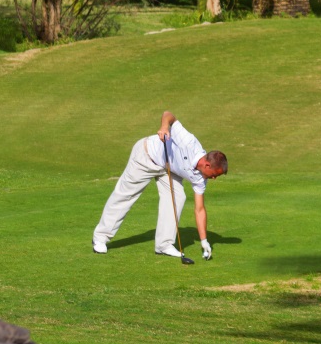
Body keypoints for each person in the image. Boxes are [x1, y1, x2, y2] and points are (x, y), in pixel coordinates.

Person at [92, 111, 228, 259]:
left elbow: (199, 209)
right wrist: (164, 127)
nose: (214, 178)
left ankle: (164, 245)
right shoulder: (188, 142)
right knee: (126, 194)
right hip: (146, 156)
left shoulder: (201, 179)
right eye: (215, 174)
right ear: (207, 165)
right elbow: (168, 115)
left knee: (178, 197)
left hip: (168, 168)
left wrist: (204, 241)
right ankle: (100, 238)